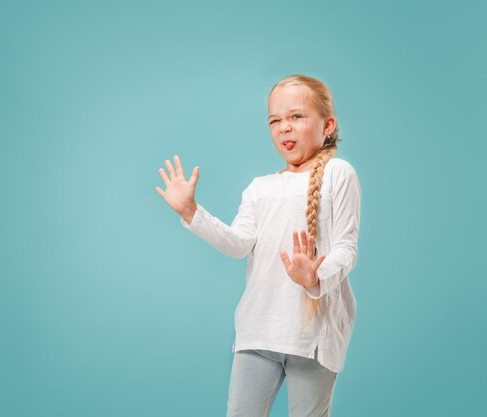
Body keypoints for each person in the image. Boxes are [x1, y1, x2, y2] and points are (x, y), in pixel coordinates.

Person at [154, 74, 362, 417]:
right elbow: (238, 245)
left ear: (327, 125)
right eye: (275, 120)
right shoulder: (259, 188)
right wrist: (192, 212)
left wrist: (314, 276)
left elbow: (346, 248)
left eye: (296, 116)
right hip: (259, 331)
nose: (284, 128)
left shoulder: (339, 174)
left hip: (313, 337)